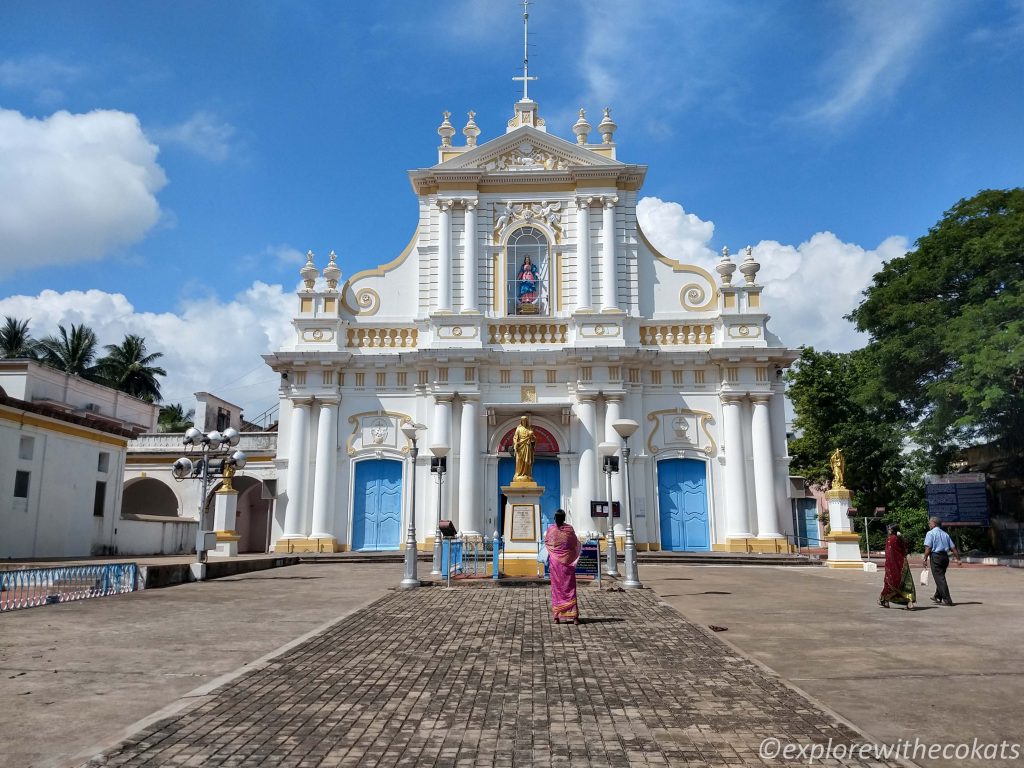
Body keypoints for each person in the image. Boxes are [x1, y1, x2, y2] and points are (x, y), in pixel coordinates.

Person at [544, 509, 581, 624]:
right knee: (569, 588)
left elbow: (547, 542)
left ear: (555, 518)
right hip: (567, 562)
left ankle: (557, 617)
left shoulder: (551, 530)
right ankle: (574, 616)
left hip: (555, 564)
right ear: (564, 518)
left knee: (557, 589)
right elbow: (575, 544)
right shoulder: (569, 530)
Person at [923, 517, 961, 606]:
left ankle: (947, 600)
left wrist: (925, 558)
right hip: (945, 557)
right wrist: (958, 559)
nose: (929, 524)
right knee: (940, 577)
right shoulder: (945, 534)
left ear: (934, 524)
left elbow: (928, 548)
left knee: (940, 578)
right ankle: (937, 596)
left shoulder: (930, 533)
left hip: (936, 557)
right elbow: (953, 548)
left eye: (930, 523)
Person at [879, 523, 916, 610]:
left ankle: (885, 600)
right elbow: (905, 549)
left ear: (891, 530)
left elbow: (889, 554)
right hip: (903, 564)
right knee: (906, 584)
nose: (888, 531)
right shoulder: (901, 539)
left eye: (889, 529)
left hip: (892, 565)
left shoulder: (890, 539)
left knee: (890, 583)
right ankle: (910, 603)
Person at [512, 415, 536, 483]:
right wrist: (516, 443)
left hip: (527, 446)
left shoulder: (529, 429)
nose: (524, 422)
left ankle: (526, 474)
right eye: (523, 421)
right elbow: (515, 437)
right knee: (519, 460)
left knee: (527, 461)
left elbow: (533, 439)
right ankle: (519, 474)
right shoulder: (518, 429)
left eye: (525, 421)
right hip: (520, 446)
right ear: (521, 421)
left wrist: (532, 439)